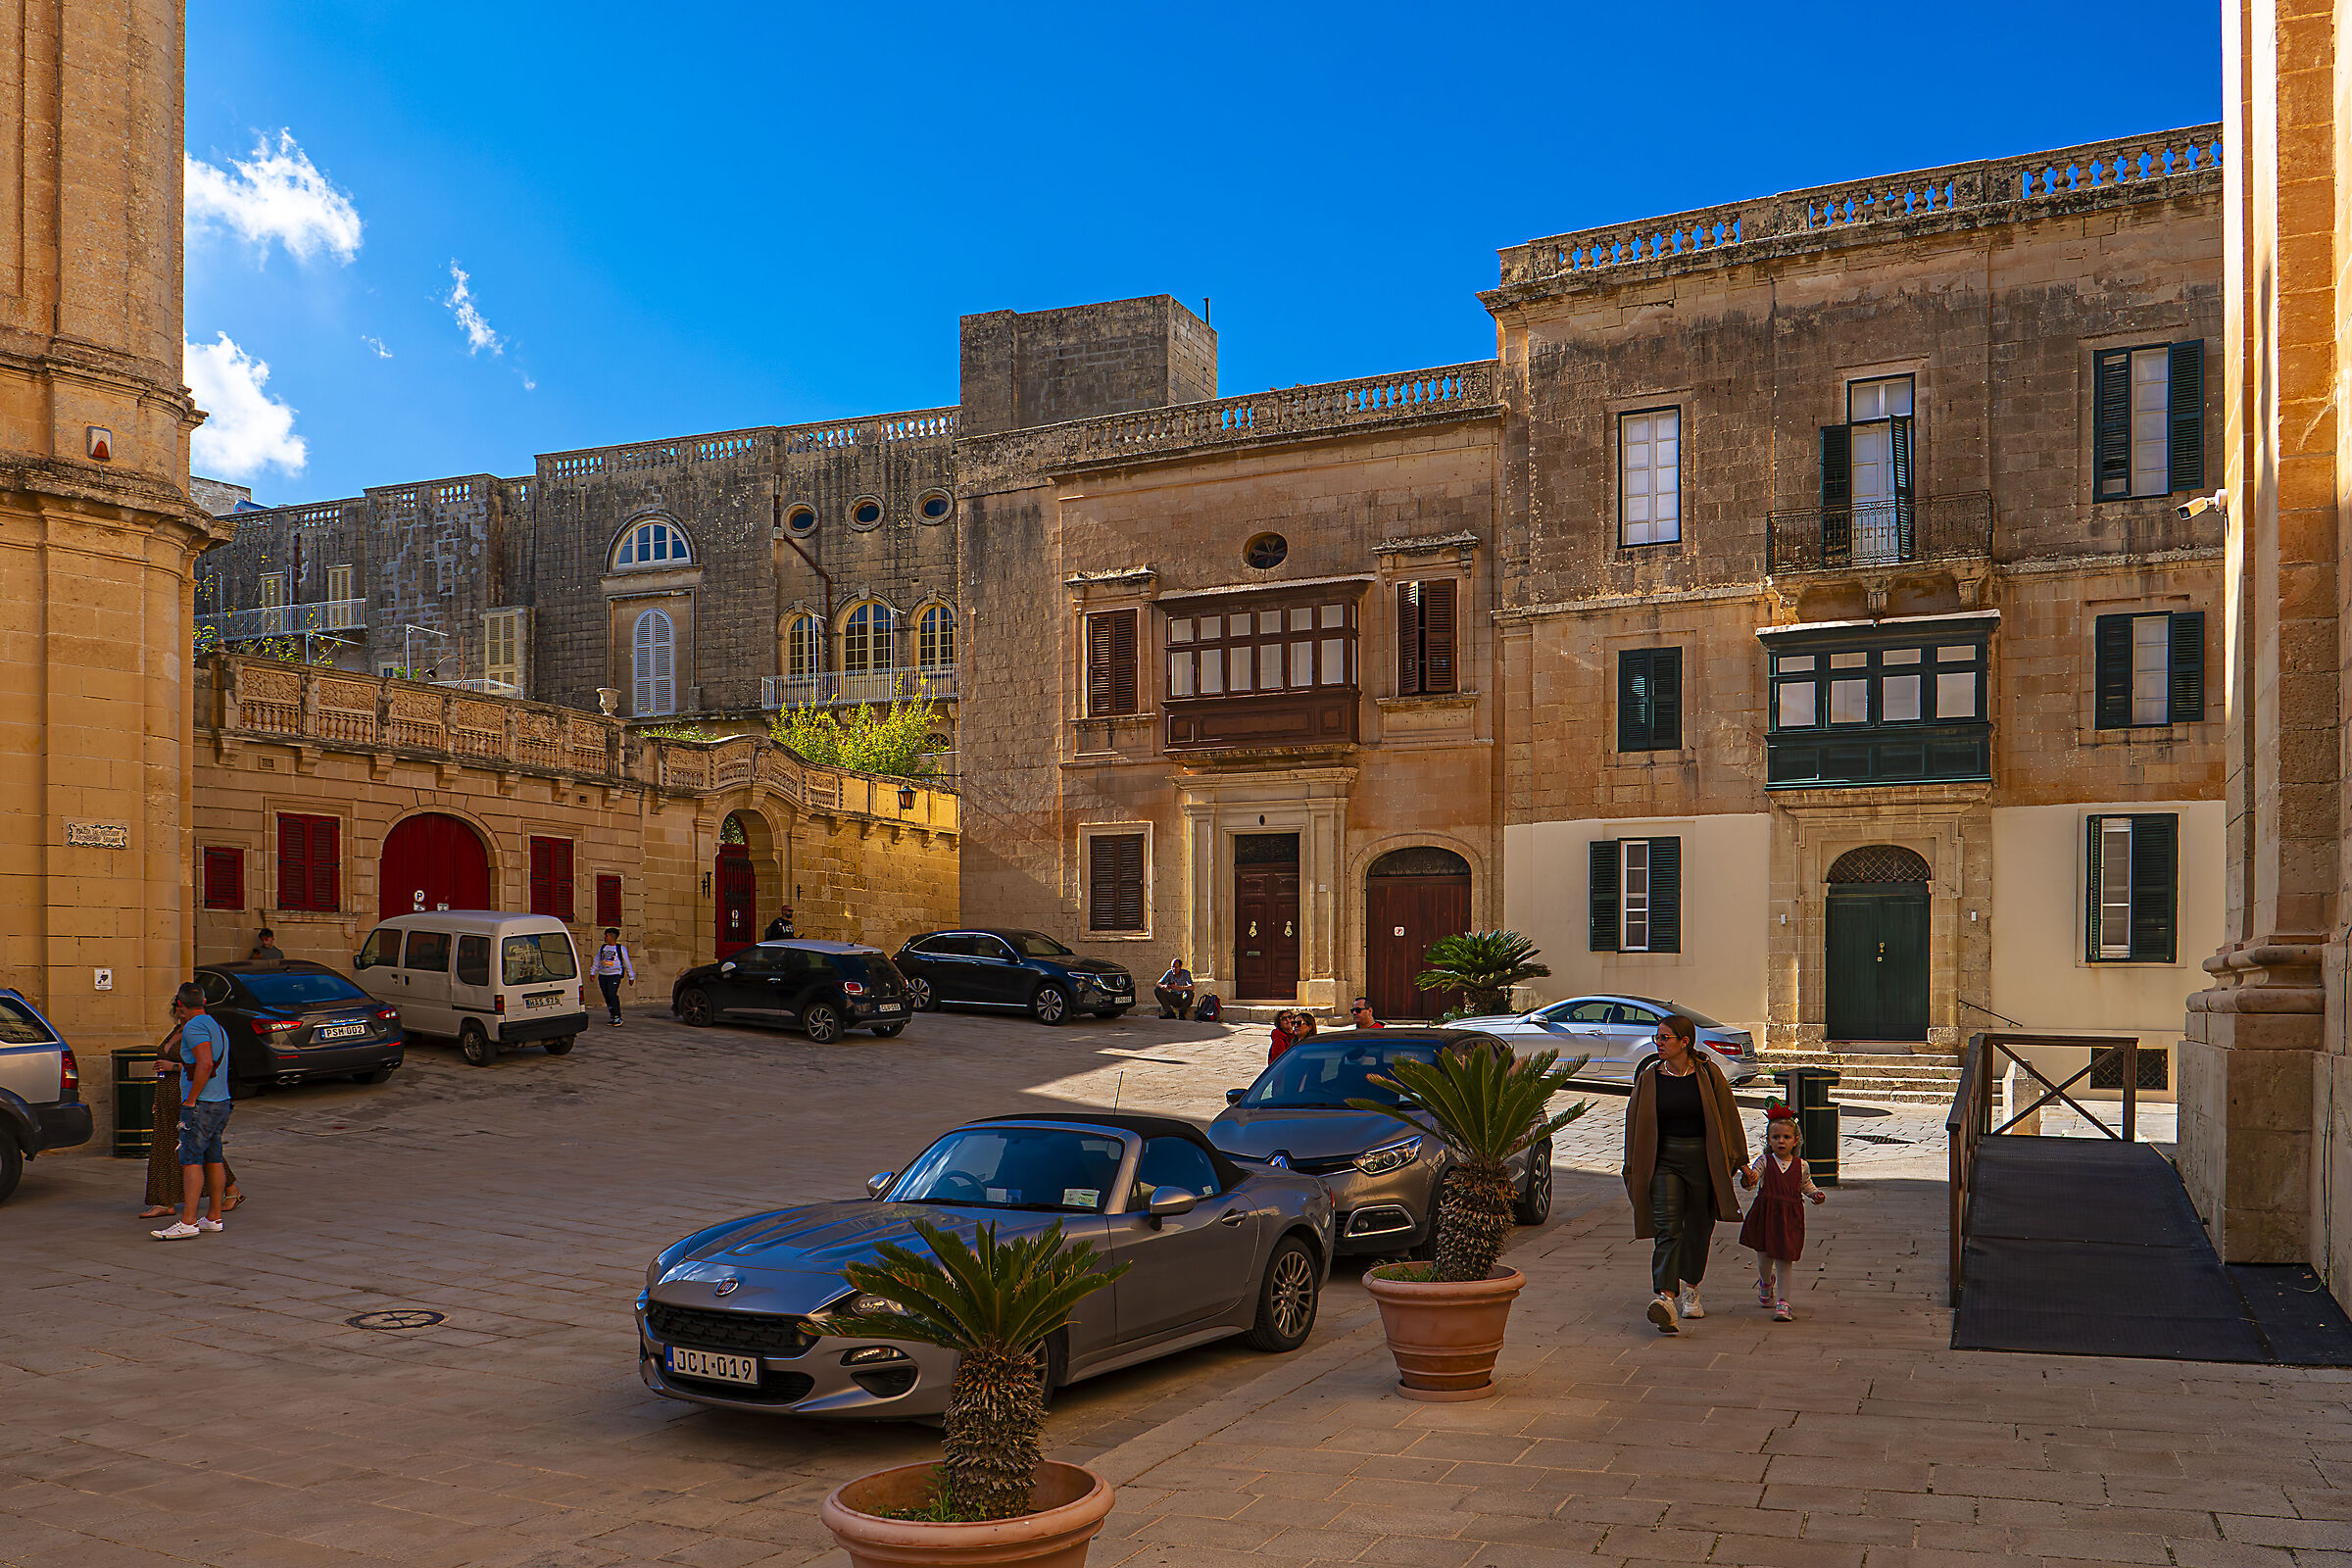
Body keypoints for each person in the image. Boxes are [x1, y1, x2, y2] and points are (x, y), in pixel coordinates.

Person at [1621, 1012, 1747, 1334]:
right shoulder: (1650, 1077)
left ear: (1684, 1042)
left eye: (1665, 1038)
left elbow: (1728, 1118)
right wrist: (1633, 1168)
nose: (1658, 1043)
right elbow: (1634, 1125)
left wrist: (1741, 1161)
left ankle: (1691, 1288)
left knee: (1698, 1228)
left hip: (1703, 1162)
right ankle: (1665, 1298)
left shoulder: (1708, 1074)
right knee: (1667, 1227)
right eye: (1657, 1038)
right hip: (1664, 1163)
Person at [152, 983, 235, 1241]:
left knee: (190, 1159)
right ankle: (213, 1217)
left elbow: (205, 1062)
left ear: (180, 1005)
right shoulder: (216, 1026)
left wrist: (190, 1099)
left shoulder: (194, 1027)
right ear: (204, 1000)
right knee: (214, 1158)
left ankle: (188, 1221)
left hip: (202, 1104)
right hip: (221, 1101)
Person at [138, 1013, 241, 1220]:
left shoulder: (198, 1030)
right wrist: (158, 1098)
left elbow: (206, 1065)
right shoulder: (176, 1031)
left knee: (198, 1147)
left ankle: (228, 1191)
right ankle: (164, 1200)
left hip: (186, 1095)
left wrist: (173, 1068)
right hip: (168, 1093)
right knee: (165, 1145)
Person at [1739, 1105, 1827, 1322]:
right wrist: (1748, 1179)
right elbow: (1753, 1180)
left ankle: (1783, 1302)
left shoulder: (1801, 1165)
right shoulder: (1764, 1162)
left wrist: (1815, 1195)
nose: (1781, 1141)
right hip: (1766, 1214)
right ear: (1768, 1140)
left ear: (1795, 1140)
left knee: (1785, 1258)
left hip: (1790, 1217)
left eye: (1786, 1137)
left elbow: (1806, 1185)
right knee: (1764, 1257)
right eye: (1776, 1137)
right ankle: (1766, 1281)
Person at [591, 926, 636, 1026]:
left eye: (606, 936)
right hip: (603, 975)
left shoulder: (620, 949)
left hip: (615, 975)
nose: (605, 938)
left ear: (610, 937)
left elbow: (626, 963)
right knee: (606, 995)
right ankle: (612, 1015)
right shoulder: (603, 948)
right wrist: (593, 972)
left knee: (612, 994)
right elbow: (597, 960)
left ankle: (618, 1016)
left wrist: (631, 976)